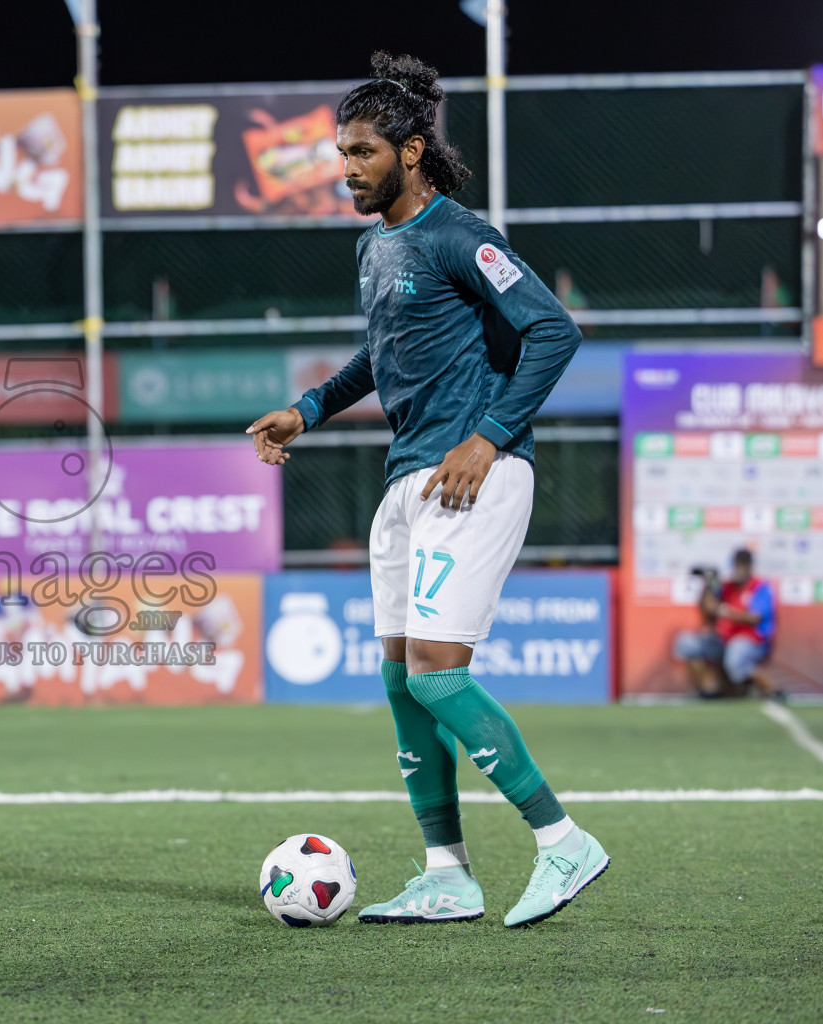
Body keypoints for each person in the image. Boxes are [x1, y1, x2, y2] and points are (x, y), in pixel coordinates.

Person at [246, 52, 606, 927]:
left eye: (363, 152)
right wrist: (308, 409)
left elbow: (553, 332)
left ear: (411, 152)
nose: (347, 169)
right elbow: (384, 356)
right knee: (405, 681)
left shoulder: (460, 234)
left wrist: (487, 438)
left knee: (442, 677)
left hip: (474, 475)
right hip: (410, 479)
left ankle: (562, 841)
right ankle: (448, 872)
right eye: (341, 152)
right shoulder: (374, 246)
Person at [673, 549, 776, 698]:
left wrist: (724, 611)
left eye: (743, 565)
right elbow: (708, 609)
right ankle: (710, 690)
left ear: (750, 567)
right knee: (686, 643)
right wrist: (708, 583)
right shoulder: (727, 587)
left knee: (735, 656)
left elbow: (754, 618)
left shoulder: (760, 587)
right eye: (737, 565)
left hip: (752, 640)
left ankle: (769, 688)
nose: (739, 570)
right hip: (724, 639)